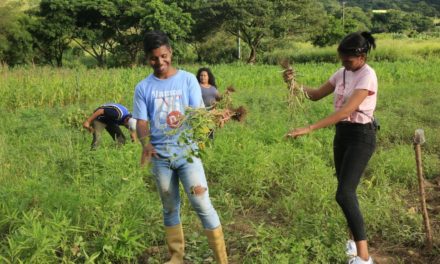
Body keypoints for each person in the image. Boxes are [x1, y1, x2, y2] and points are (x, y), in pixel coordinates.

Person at [132, 30, 227, 264]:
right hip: (160, 157)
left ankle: (221, 259)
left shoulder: (187, 80)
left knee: (202, 204)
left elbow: (198, 114)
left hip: (188, 153)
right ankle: (176, 257)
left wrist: (216, 118)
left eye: (163, 56)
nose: (160, 62)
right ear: (147, 58)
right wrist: (146, 144)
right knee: (169, 207)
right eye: (154, 58)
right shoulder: (143, 87)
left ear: (170, 52)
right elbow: (142, 122)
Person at [285, 32, 378, 264]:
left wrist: (309, 128)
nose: (344, 63)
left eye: (348, 60)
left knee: (344, 194)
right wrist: (293, 84)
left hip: (361, 136)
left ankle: (364, 258)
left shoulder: (368, 75)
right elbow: (315, 95)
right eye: (342, 59)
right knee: (346, 192)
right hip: (343, 135)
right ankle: (353, 243)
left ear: (362, 56)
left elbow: (346, 111)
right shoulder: (342, 73)